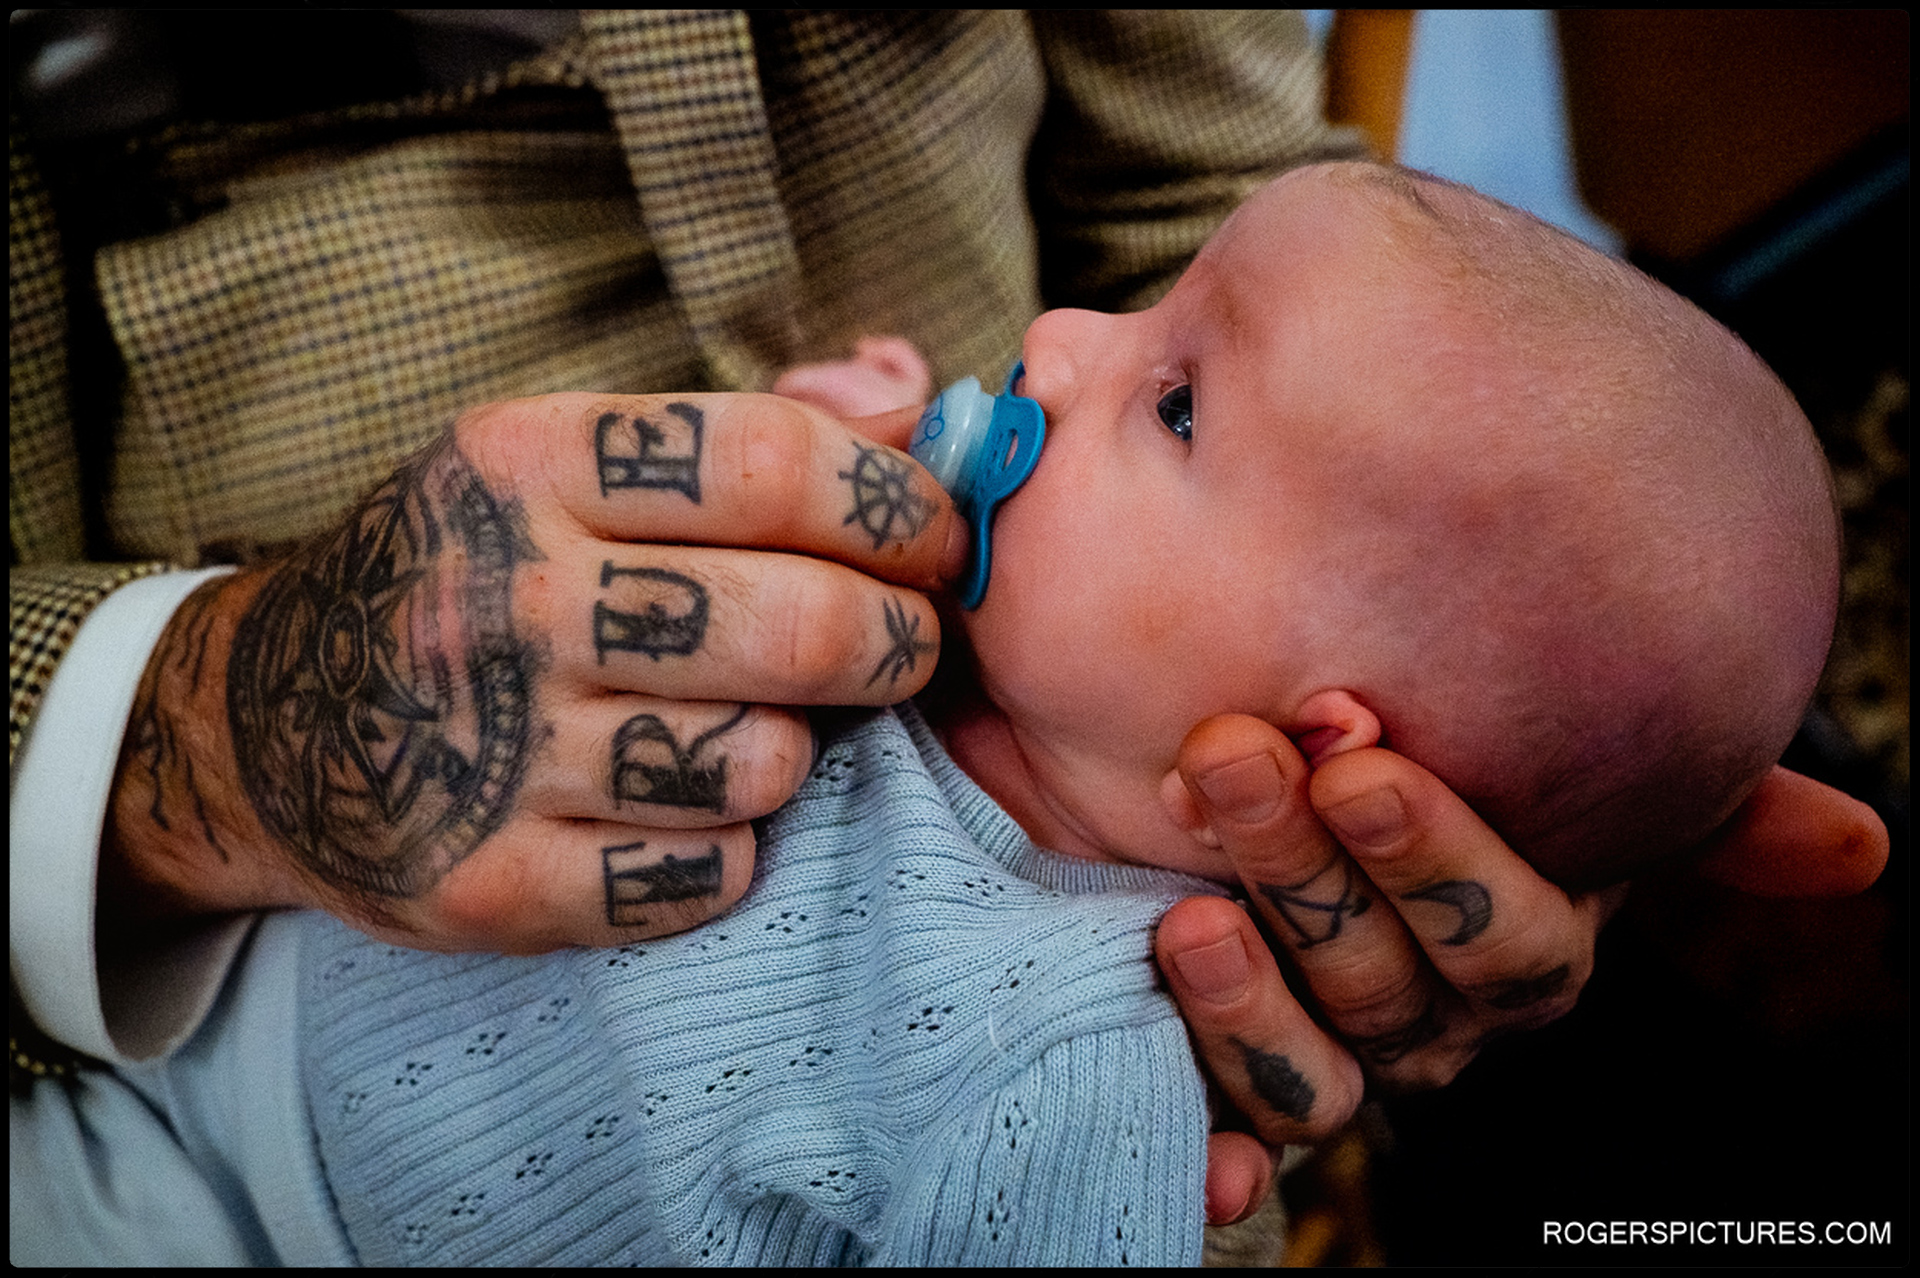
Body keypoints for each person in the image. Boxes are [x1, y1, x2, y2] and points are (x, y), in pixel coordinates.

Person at [8, 10, 1886, 1265]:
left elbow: (1195, 171)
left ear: (1331, 750)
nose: (1057, 337)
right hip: (141, 950)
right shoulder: (1004, 579)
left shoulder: (1076, 1073)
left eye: (1169, 401)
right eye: (1145, 326)